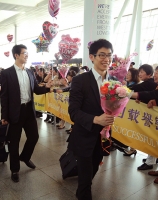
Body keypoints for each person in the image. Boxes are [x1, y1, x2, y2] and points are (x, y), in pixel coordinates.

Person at [68, 39, 115, 200]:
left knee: (95, 165)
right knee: (85, 178)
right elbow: (73, 112)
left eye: (109, 55)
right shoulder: (80, 80)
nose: (106, 59)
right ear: (91, 57)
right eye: (101, 55)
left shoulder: (113, 82)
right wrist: (96, 119)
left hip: (103, 137)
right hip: (85, 135)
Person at [0, 44, 53, 183]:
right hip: (14, 112)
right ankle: (14, 169)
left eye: (27, 53)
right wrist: (4, 116)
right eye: (24, 53)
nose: (26, 55)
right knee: (14, 142)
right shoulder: (7, 73)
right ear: (16, 55)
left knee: (34, 137)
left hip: (29, 110)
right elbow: (4, 96)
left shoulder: (29, 72)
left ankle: (24, 157)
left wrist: (47, 88)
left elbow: (35, 89)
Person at [122, 65, 158, 170]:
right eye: (140, 72)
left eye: (142, 72)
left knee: (151, 137)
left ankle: (150, 162)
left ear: (149, 74)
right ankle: (153, 158)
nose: (140, 74)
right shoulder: (149, 83)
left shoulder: (149, 83)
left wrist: (121, 89)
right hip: (151, 113)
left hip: (153, 114)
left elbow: (135, 89)